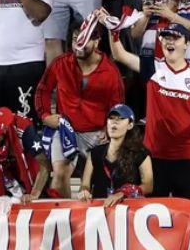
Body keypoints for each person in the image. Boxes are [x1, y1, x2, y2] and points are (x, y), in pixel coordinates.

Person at [108, 23, 190, 200]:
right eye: (167, 37)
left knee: (189, 211)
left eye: (176, 38)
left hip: (188, 156)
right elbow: (119, 54)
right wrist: (112, 31)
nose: (170, 41)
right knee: (153, 211)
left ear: (186, 44)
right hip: (154, 156)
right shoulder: (152, 67)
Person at [34, 23, 124, 197]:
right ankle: (65, 220)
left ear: (97, 42)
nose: (79, 45)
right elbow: (42, 90)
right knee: (59, 174)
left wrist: (109, 128)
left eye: (85, 40)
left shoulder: (110, 71)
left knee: (104, 180)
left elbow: (117, 107)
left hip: (97, 133)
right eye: (76, 40)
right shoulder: (61, 64)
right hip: (67, 129)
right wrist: (45, 116)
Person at [78, 104, 154, 203]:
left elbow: (148, 186)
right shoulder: (95, 152)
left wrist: (124, 192)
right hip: (100, 211)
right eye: (111, 118)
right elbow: (85, 184)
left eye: (120, 119)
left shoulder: (140, 153)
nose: (114, 122)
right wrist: (84, 191)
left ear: (130, 125)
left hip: (129, 210)